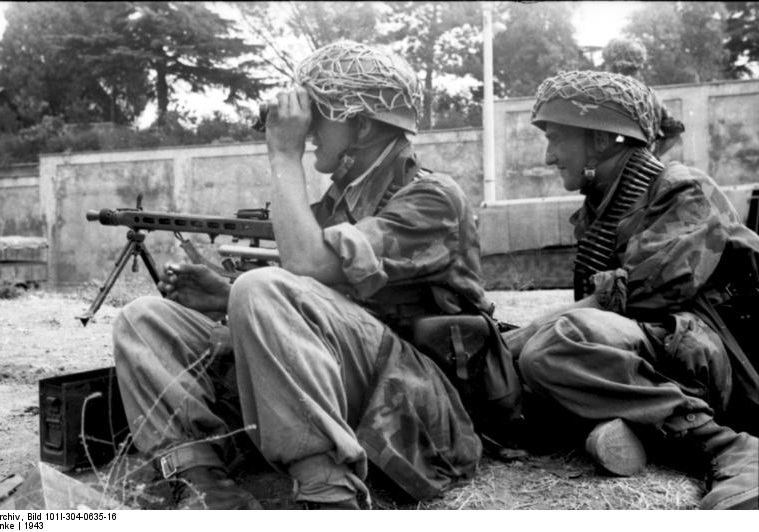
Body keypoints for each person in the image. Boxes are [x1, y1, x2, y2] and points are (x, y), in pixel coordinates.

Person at [112, 40, 498, 509]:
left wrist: (284, 156)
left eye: (320, 112)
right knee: (143, 319)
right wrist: (228, 297)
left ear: (360, 123)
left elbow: (305, 268)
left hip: (415, 403)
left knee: (261, 287)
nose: (309, 127)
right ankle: (203, 483)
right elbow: (315, 295)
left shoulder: (433, 198)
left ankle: (327, 491)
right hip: (343, 379)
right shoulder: (340, 200)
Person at [503, 69, 759, 510]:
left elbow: (641, 293)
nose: (549, 157)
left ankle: (729, 448)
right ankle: (628, 429)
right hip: (660, 353)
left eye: (557, 138)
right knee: (516, 359)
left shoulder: (681, 189)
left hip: (713, 361)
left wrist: (525, 337)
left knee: (552, 347)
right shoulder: (600, 207)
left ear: (601, 141)